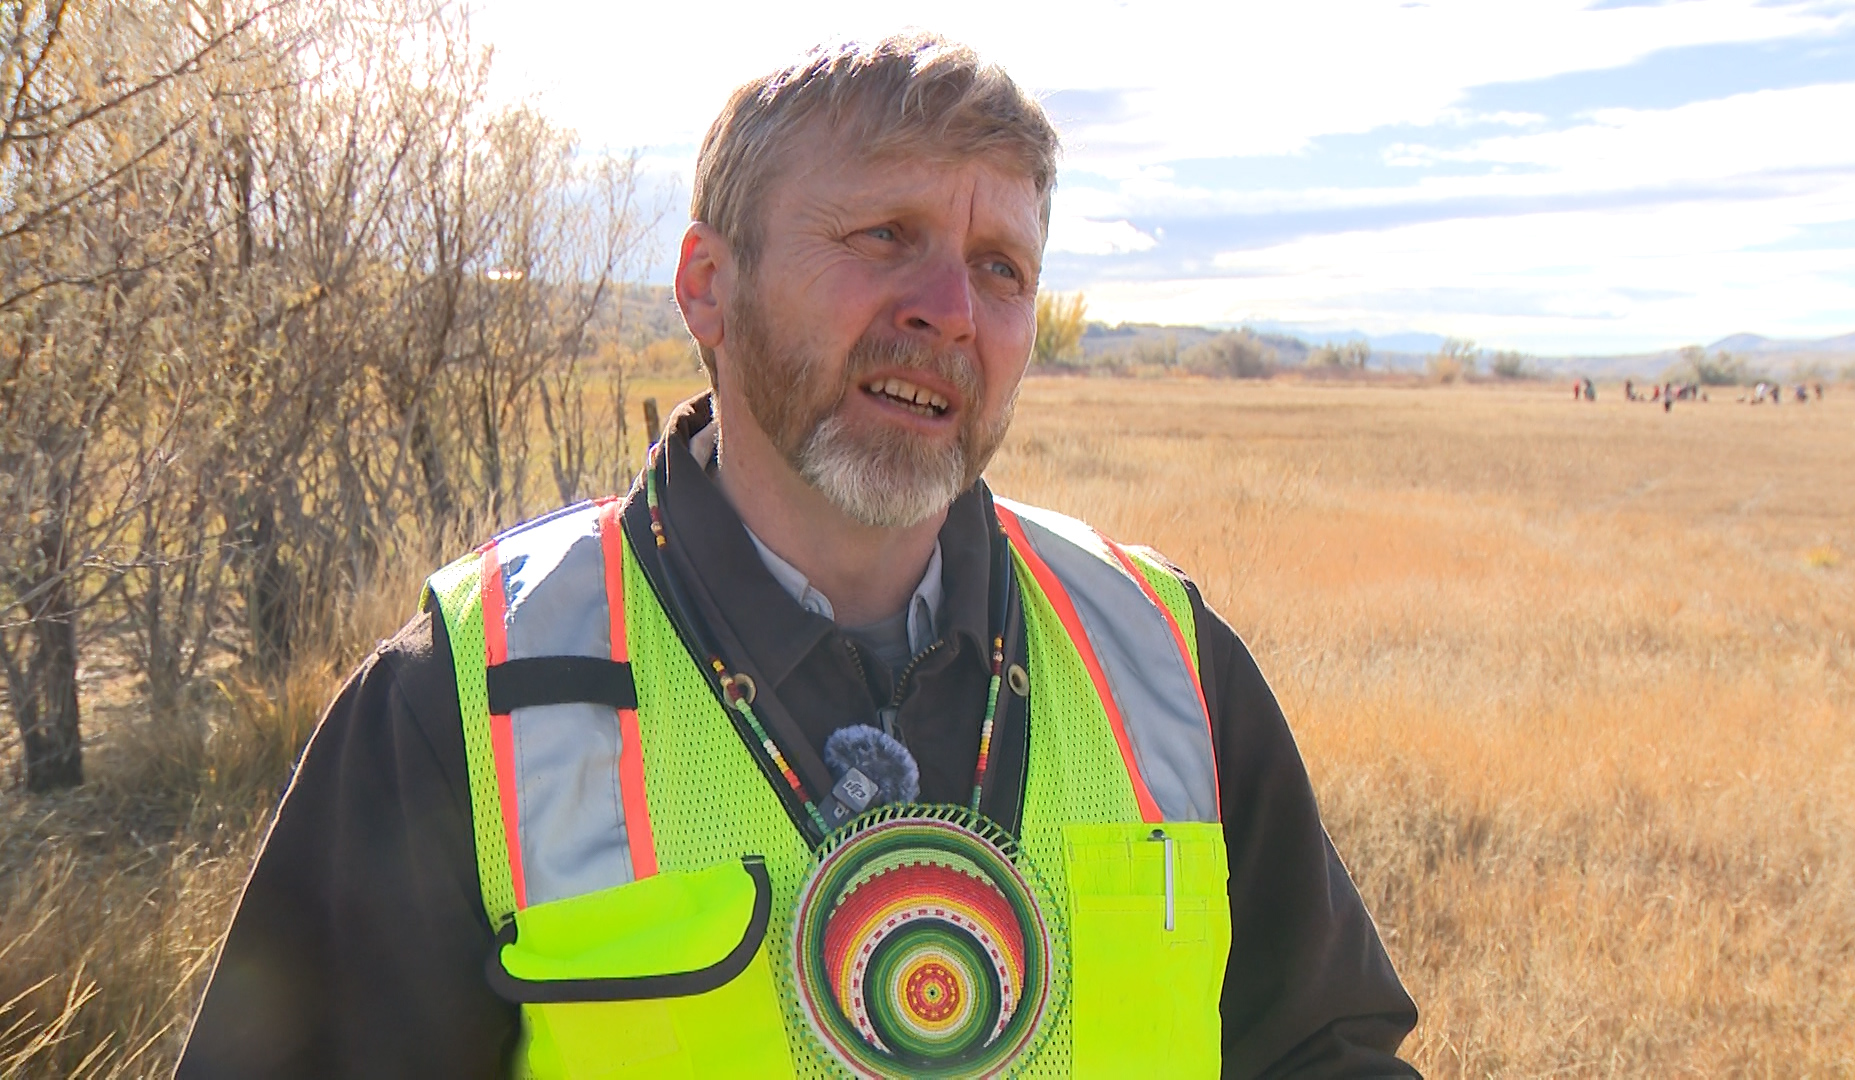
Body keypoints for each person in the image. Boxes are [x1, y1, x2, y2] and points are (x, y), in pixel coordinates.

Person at [178, 33, 1417, 1079]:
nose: (949, 308)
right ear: (709, 288)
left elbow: (1325, 1050)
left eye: (1002, 269)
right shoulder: (473, 692)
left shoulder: (1161, 653)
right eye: (885, 235)